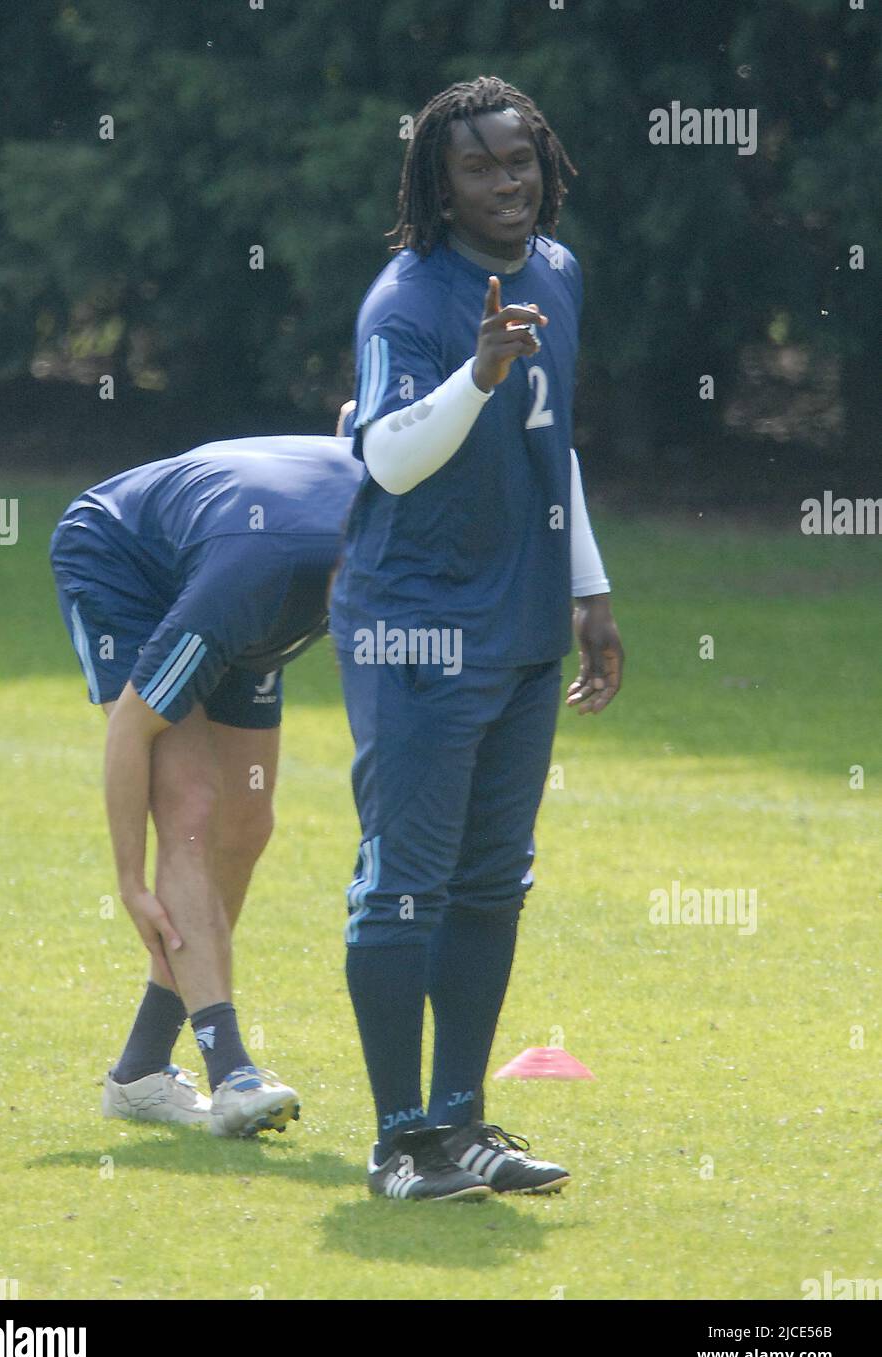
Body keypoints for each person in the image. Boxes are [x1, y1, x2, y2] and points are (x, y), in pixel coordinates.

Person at [330, 76, 624, 1200]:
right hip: (415, 629)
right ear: (437, 189)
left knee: (492, 881)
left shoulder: (556, 271)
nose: (507, 183)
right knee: (404, 884)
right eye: (478, 168)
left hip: (518, 624)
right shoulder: (404, 303)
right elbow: (389, 457)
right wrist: (475, 371)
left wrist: (587, 591)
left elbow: (555, 444)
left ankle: (463, 1122)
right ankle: (397, 1137)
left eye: (520, 161)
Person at [50, 425, 360, 1137]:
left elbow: (359, 417)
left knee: (246, 823)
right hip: (128, 562)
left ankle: (140, 1073)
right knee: (190, 804)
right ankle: (232, 1073)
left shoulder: (402, 517)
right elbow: (131, 729)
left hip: (237, 559)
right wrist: (131, 881)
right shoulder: (251, 583)